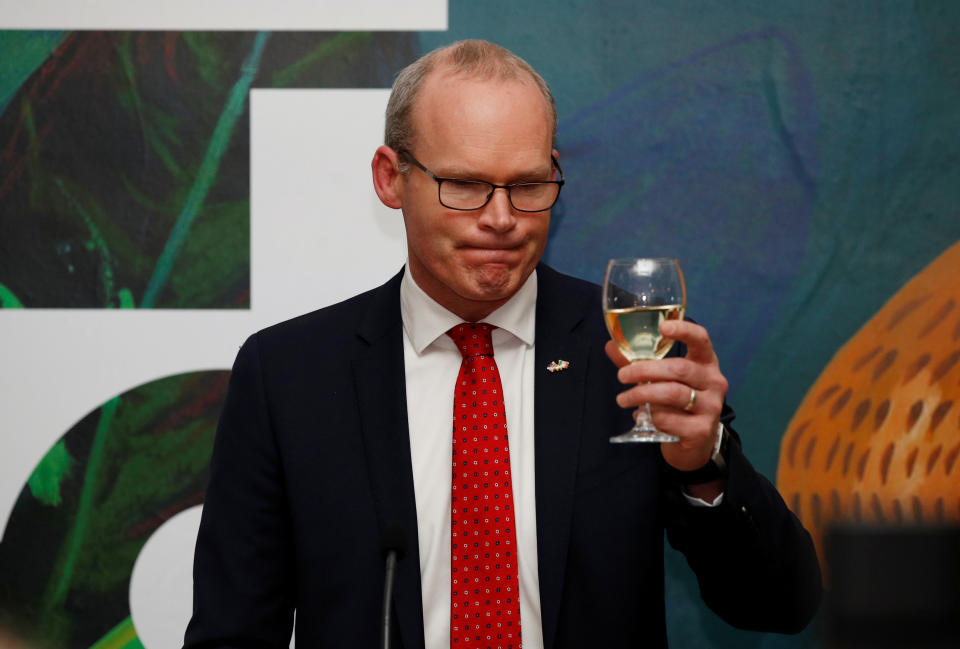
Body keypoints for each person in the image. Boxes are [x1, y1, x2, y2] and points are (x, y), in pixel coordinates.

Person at [184, 39, 821, 649]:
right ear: (390, 178)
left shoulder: (631, 354)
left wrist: (705, 465)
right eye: (464, 185)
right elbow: (232, 633)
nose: (500, 218)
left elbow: (779, 605)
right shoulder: (289, 373)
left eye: (527, 185)